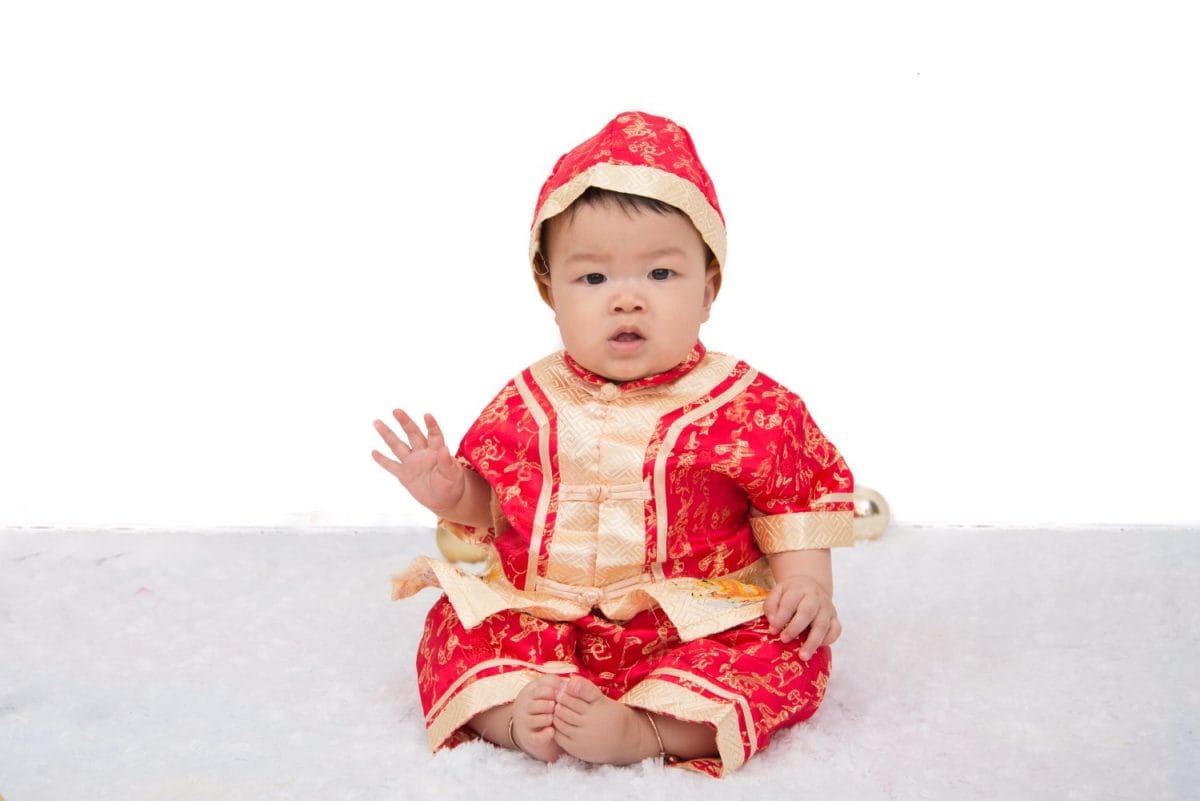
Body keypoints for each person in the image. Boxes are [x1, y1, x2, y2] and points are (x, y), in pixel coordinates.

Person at [372, 111, 855, 778]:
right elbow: (504, 509)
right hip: (549, 612)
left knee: (786, 651)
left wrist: (805, 587)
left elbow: (794, 503)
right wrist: (455, 491)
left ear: (709, 288)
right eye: (593, 279)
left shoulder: (748, 405)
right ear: (550, 291)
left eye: (660, 275)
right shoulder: (528, 399)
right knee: (454, 623)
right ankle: (519, 715)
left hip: (691, 619)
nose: (627, 300)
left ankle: (648, 727)